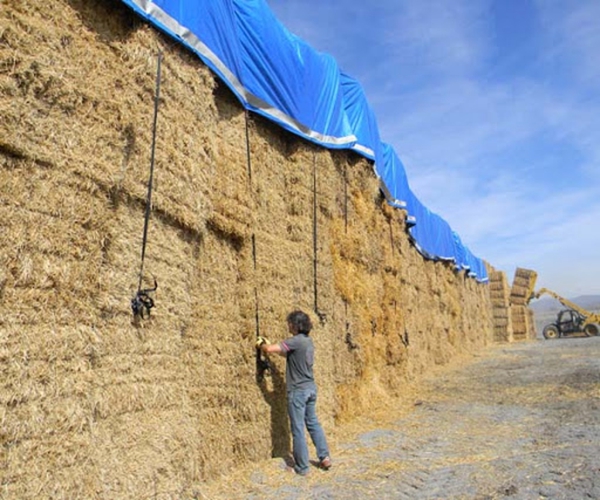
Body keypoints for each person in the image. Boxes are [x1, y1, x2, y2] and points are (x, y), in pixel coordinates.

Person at [256, 310, 332, 476]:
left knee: (297, 428)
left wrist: (261, 344)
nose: (288, 325)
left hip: (298, 391)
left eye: (290, 323)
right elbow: (289, 355)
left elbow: (269, 349)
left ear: (296, 325)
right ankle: (324, 457)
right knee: (313, 423)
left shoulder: (295, 341)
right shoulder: (307, 342)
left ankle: (302, 467)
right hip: (311, 388)